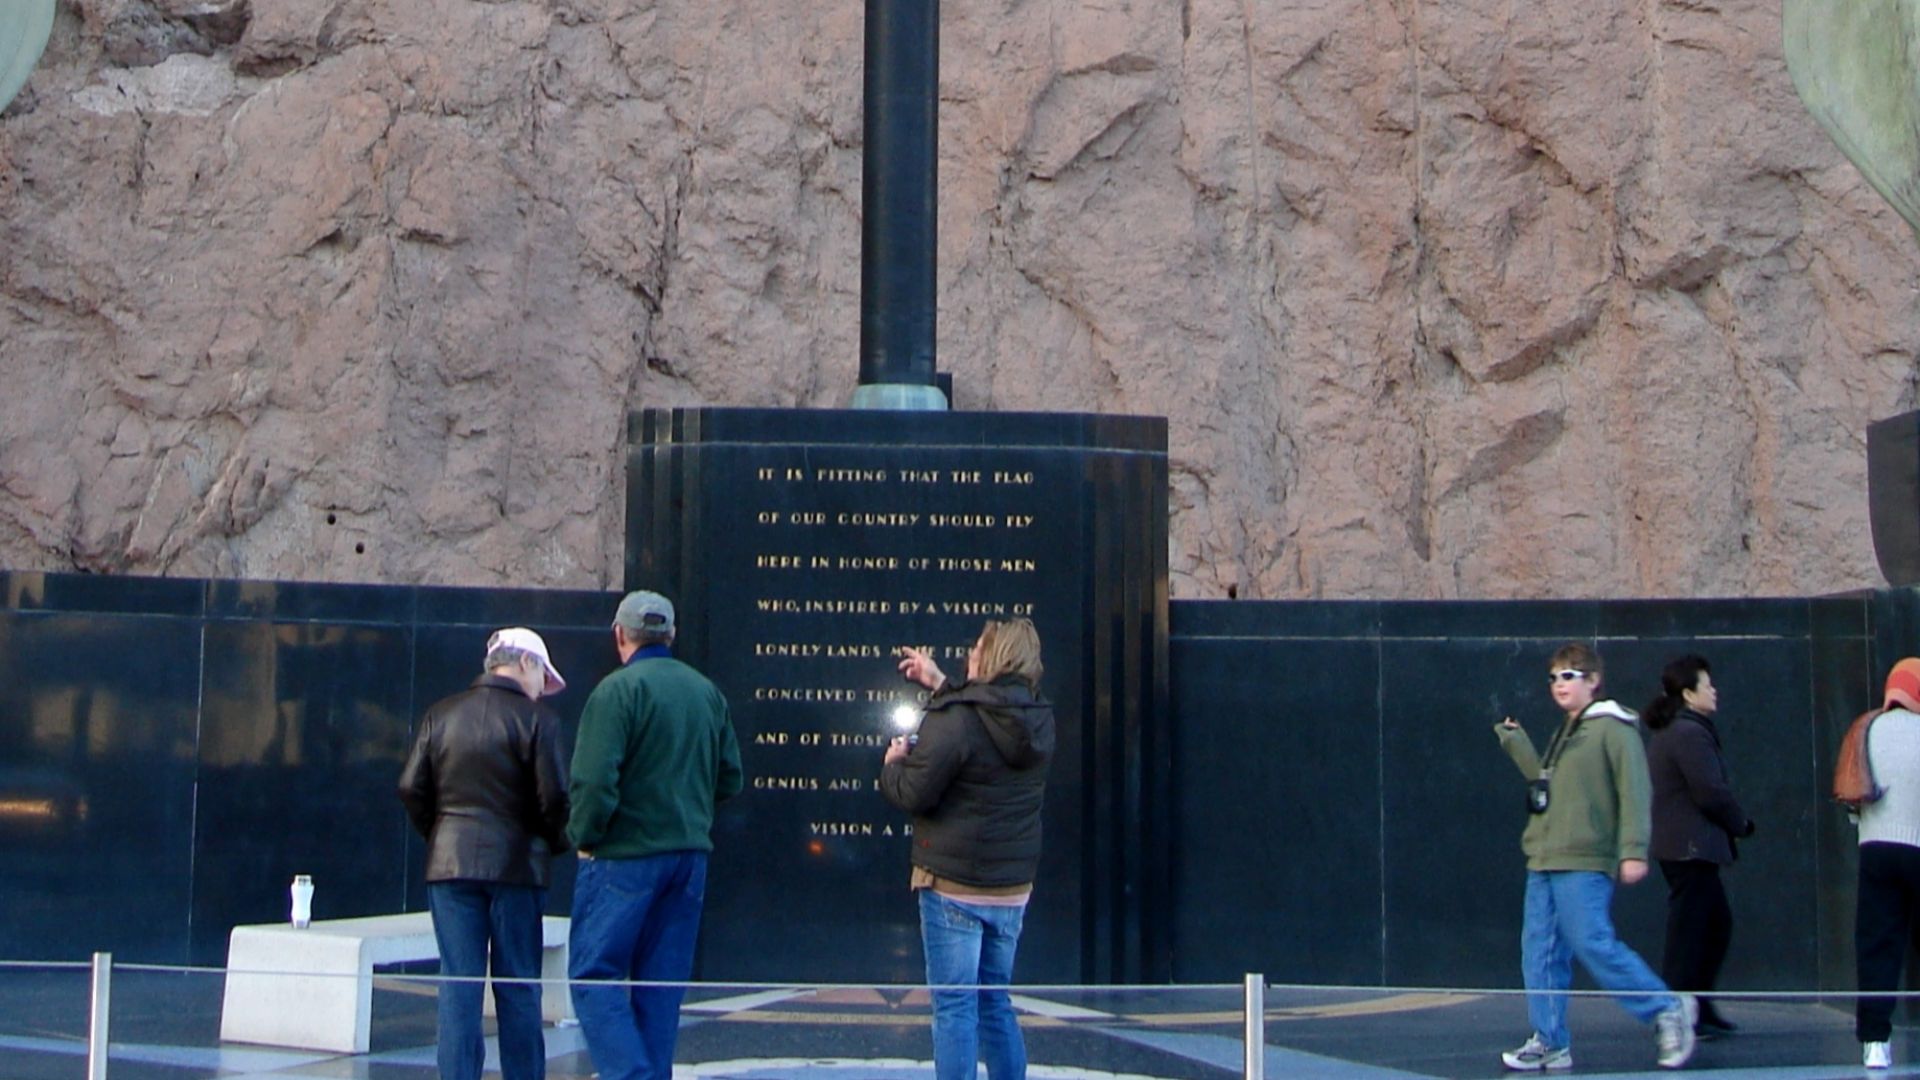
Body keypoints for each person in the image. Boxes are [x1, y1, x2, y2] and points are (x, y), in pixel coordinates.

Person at [1494, 642, 1696, 1072]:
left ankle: (1665, 1010)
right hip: (1546, 854)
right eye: (1553, 677)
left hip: (1584, 857)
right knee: (1540, 952)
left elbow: (1634, 790)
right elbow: (1547, 784)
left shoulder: (1612, 728)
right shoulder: (1570, 730)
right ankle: (1549, 1038)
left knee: (1592, 941)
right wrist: (1516, 743)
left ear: (1593, 680)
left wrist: (1633, 850)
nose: (1558, 685)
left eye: (1568, 675)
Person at [566, 590, 744, 1080]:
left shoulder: (616, 692)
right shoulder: (706, 692)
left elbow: (593, 780)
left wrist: (585, 835)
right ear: (672, 635)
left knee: (593, 976)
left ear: (619, 635)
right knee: (661, 986)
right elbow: (731, 778)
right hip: (688, 858)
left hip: (623, 855)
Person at [879, 618, 1055, 1080]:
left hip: (953, 886)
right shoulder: (1037, 719)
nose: (968, 656)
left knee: (955, 1007)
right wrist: (940, 684)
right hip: (1012, 888)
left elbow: (915, 793)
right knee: (996, 1003)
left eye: (976, 649)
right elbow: (984, 715)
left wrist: (892, 768)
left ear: (992, 657)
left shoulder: (954, 721)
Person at [397, 627, 572, 1080]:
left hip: (449, 866)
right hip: (517, 866)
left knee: (460, 985)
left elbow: (410, 787)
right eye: (542, 676)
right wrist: (550, 844)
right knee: (517, 986)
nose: (541, 689)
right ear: (526, 664)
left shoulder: (441, 714)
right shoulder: (540, 722)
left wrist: (439, 834)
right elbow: (554, 799)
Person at [1644, 654, 1754, 1039]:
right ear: (1689, 694)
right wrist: (1739, 823)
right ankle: (1675, 1012)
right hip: (1689, 848)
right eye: (1708, 685)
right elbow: (1709, 790)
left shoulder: (1679, 730)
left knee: (1713, 925)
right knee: (1691, 932)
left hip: (1685, 847)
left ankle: (1699, 1006)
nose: (1714, 691)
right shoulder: (1689, 733)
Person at [1854, 657, 1920, 1069]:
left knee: (1878, 945)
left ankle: (1875, 1041)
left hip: (1874, 848)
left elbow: (1850, 794)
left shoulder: (1865, 728)